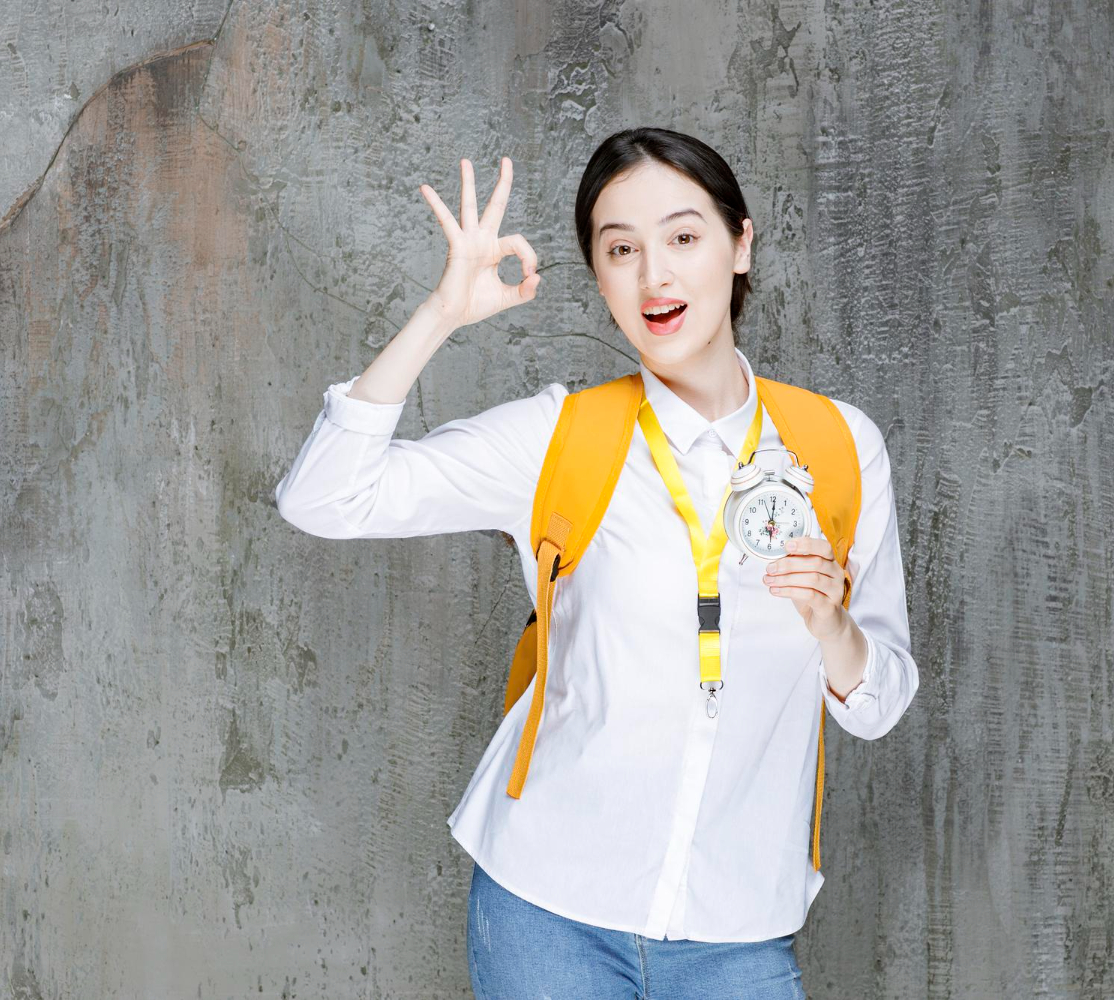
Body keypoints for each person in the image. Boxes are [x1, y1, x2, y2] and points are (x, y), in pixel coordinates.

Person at [274, 127, 919, 999]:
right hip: (548, 911)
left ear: (740, 244)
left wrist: (835, 627)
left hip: (738, 929)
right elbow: (323, 497)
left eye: (684, 238)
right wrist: (439, 316)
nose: (655, 276)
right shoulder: (559, 435)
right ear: (600, 276)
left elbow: (878, 706)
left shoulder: (842, 446)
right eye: (621, 251)